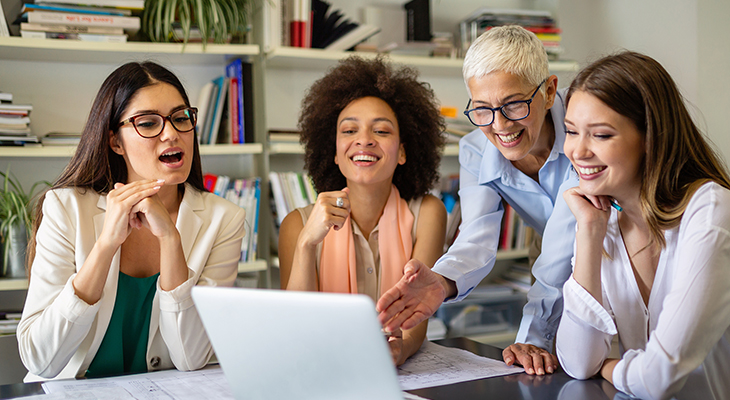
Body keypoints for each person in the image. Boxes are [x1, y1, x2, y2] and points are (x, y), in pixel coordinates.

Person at [556, 51, 730, 399]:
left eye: (601, 135)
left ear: (650, 138)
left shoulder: (712, 212)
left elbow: (658, 378)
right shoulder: (602, 222)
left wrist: (608, 366)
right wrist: (589, 232)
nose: (577, 151)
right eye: (570, 131)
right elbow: (579, 362)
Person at [17, 62, 246, 381]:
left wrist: (170, 239)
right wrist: (106, 244)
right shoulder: (65, 208)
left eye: (181, 119)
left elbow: (190, 357)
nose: (171, 133)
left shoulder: (225, 219)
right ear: (115, 142)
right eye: (149, 123)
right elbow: (40, 359)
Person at [376, 25, 577, 375]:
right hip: (546, 250)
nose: (499, 125)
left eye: (513, 104)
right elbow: (476, 237)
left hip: (614, 243)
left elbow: (565, 240)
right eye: (482, 108)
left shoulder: (581, 128)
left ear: (549, 90)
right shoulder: (475, 148)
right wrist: (440, 282)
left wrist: (533, 336)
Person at [278, 56, 447, 366]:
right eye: (349, 131)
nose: (364, 140)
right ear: (335, 153)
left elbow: (414, 326)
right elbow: (293, 330)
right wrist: (306, 244)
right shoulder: (296, 224)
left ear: (403, 152)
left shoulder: (428, 213)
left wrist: (397, 353)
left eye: (381, 132)